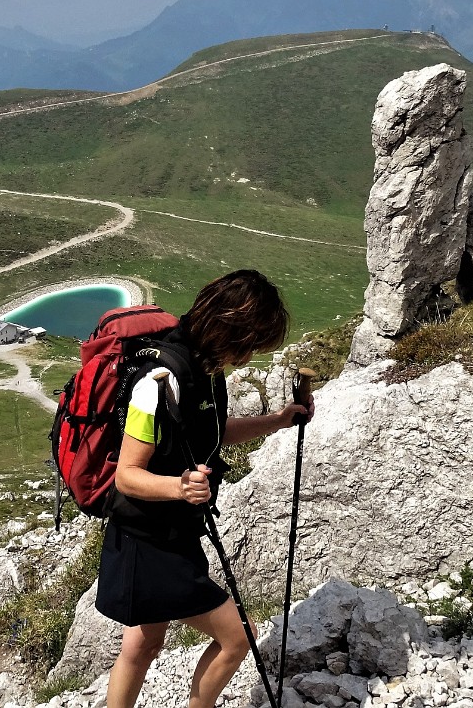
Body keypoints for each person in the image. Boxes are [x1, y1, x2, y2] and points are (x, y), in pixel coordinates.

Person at [96, 269, 313, 708]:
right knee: (238, 637)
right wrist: (180, 488)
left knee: (142, 645)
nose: (249, 357)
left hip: (167, 530)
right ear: (229, 325)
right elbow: (127, 475)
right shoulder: (159, 381)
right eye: (249, 343)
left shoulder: (202, 369)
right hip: (147, 537)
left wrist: (276, 421)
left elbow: (208, 433)